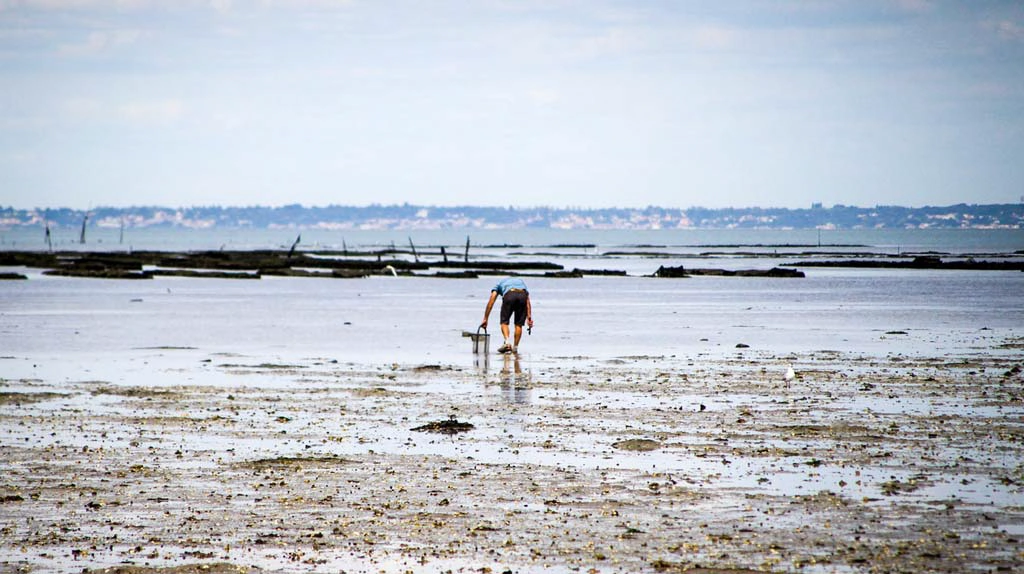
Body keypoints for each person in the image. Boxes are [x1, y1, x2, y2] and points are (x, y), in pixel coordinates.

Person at [480, 276, 533, 354]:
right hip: (523, 295)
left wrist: (485, 318)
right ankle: (515, 349)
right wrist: (529, 317)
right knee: (518, 325)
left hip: (509, 295)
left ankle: (507, 343)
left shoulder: (498, 285)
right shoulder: (521, 283)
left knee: (504, 322)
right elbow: (527, 300)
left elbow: (492, 300)